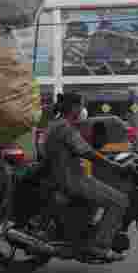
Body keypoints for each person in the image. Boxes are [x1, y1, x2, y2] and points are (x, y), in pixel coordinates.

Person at [43, 92, 128, 261]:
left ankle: (87, 235)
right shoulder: (65, 128)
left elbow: (82, 149)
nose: (83, 109)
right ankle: (100, 246)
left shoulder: (55, 125)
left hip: (64, 176)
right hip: (73, 179)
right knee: (120, 201)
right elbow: (87, 152)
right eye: (81, 105)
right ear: (74, 108)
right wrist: (115, 167)